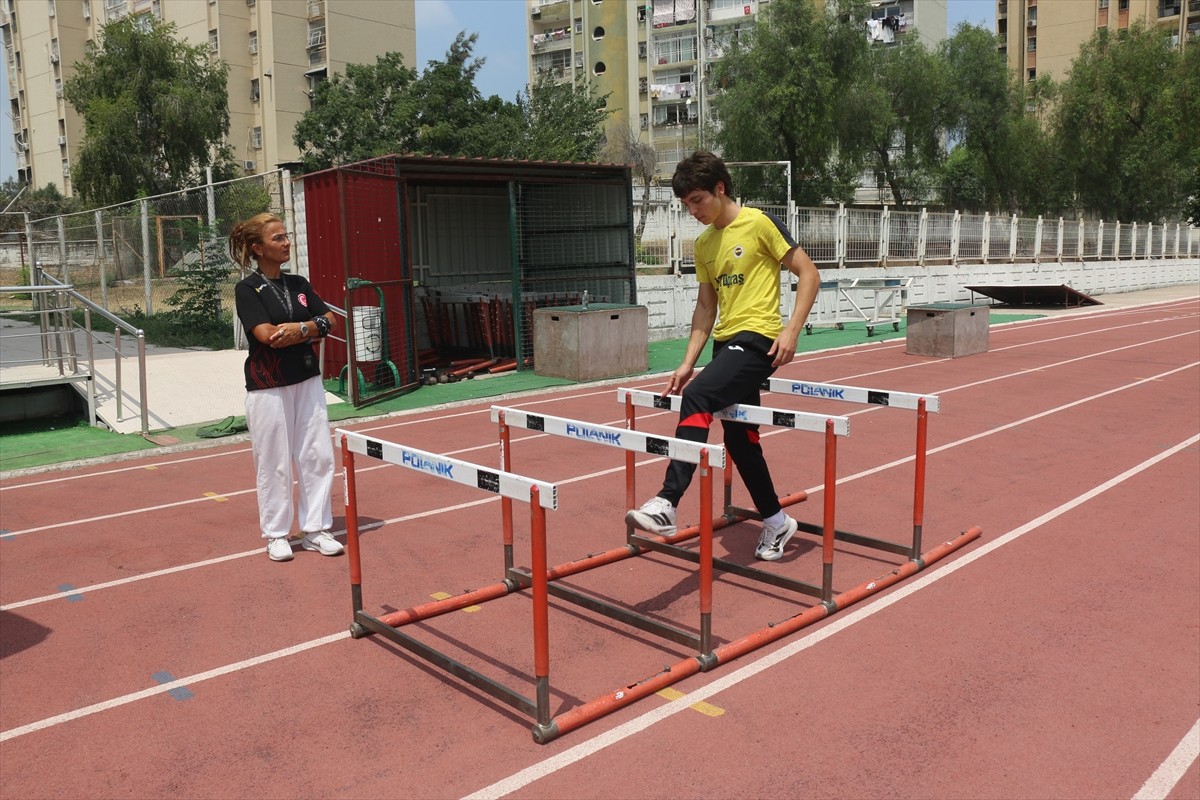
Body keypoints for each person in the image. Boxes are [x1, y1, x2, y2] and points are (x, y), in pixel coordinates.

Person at [625, 151, 820, 561]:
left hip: (758, 339)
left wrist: (791, 330)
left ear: (720, 188)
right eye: (685, 205)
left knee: (697, 398)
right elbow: (705, 309)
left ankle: (667, 502)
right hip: (724, 343)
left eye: (697, 200)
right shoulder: (705, 243)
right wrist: (687, 361)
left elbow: (809, 273)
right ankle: (777, 523)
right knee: (741, 440)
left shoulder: (759, 223)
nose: (692, 210)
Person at [231, 212, 344, 562]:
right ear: (257, 248)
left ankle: (315, 529)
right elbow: (267, 335)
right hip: (268, 386)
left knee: (317, 456)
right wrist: (311, 328)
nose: (286, 243)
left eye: (286, 236)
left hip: (307, 379)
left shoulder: (299, 283)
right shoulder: (248, 288)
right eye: (278, 238)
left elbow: (331, 319)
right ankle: (277, 534)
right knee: (274, 461)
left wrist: (303, 330)